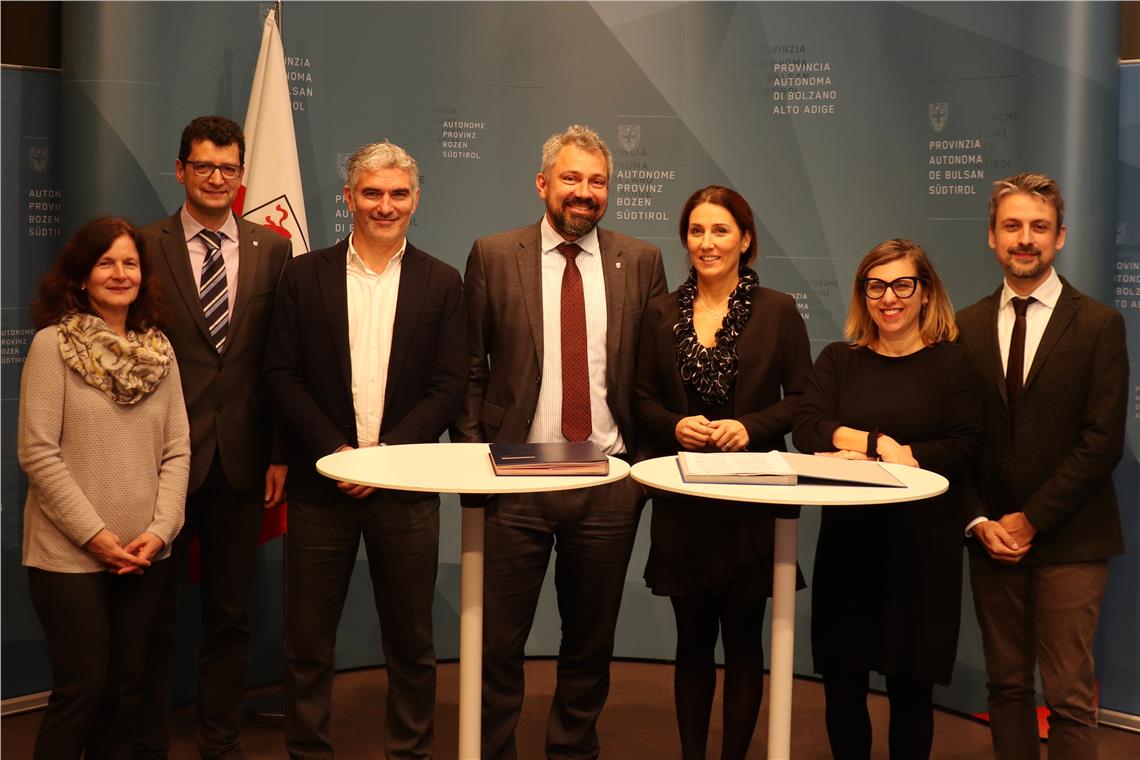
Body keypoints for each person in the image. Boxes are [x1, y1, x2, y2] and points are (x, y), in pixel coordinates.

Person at [455, 124, 667, 760]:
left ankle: (572, 750)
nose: (584, 191)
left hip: (608, 480)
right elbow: (469, 367)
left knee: (590, 641)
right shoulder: (495, 255)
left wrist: (640, 473)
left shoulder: (642, 261)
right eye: (571, 178)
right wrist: (475, 459)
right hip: (514, 478)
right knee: (497, 641)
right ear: (542, 183)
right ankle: (493, 750)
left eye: (597, 181)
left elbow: (655, 375)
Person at [264, 140, 466, 760]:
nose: (385, 205)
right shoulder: (303, 275)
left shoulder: (442, 281)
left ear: (416, 200)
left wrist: (383, 460)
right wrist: (339, 455)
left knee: (411, 643)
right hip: (320, 487)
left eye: (398, 194)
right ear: (348, 198)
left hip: (405, 488)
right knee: (307, 642)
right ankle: (307, 751)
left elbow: (449, 387)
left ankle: (410, 752)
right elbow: (281, 374)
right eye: (372, 193)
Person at [135, 114, 293, 759]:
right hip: (162, 463)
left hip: (242, 462)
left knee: (230, 616)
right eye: (204, 166)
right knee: (155, 615)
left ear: (242, 174)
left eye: (228, 168)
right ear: (181, 170)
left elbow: (280, 359)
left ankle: (220, 742)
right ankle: (146, 743)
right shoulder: (144, 246)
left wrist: (279, 453)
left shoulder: (272, 248)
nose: (216, 178)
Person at [634, 186, 811, 759]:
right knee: (691, 643)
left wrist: (750, 427)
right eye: (696, 231)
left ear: (745, 239)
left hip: (751, 502)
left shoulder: (779, 310)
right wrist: (675, 425)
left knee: (742, 643)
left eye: (720, 230)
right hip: (683, 499)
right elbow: (641, 399)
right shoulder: (660, 312)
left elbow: (803, 401)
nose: (707, 243)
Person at [957, 173, 1127, 760]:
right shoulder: (965, 326)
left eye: (1039, 226)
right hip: (992, 541)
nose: (1024, 238)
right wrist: (980, 521)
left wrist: (1030, 520)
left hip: (1071, 539)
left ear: (1060, 237)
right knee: (1006, 687)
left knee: (1069, 696)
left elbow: (1102, 442)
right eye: (1012, 226)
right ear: (992, 237)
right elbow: (959, 442)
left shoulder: (1100, 324)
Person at [792, 239, 981, 760]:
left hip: (922, 549)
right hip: (849, 548)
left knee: (911, 691)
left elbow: (964, 444)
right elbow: (807, 426)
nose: (889, 298)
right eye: (876, 286)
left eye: (902, 284)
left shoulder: (953, 364)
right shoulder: (839, 359)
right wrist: (878, 443)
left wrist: (907, 455)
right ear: (863, 294)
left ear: (925, 292)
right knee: (843, 685)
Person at [18, 216, 190, 759]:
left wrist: (160, 532)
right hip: (68, 556)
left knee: (126, 691)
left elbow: (177, 451)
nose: (120, 274)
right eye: (105, 263)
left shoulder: (159, 351)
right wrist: (95, 536)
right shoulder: (52, 346)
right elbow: (38, 453)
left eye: (130, 263)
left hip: (144, 554)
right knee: (84, 688)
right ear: (80, 276)